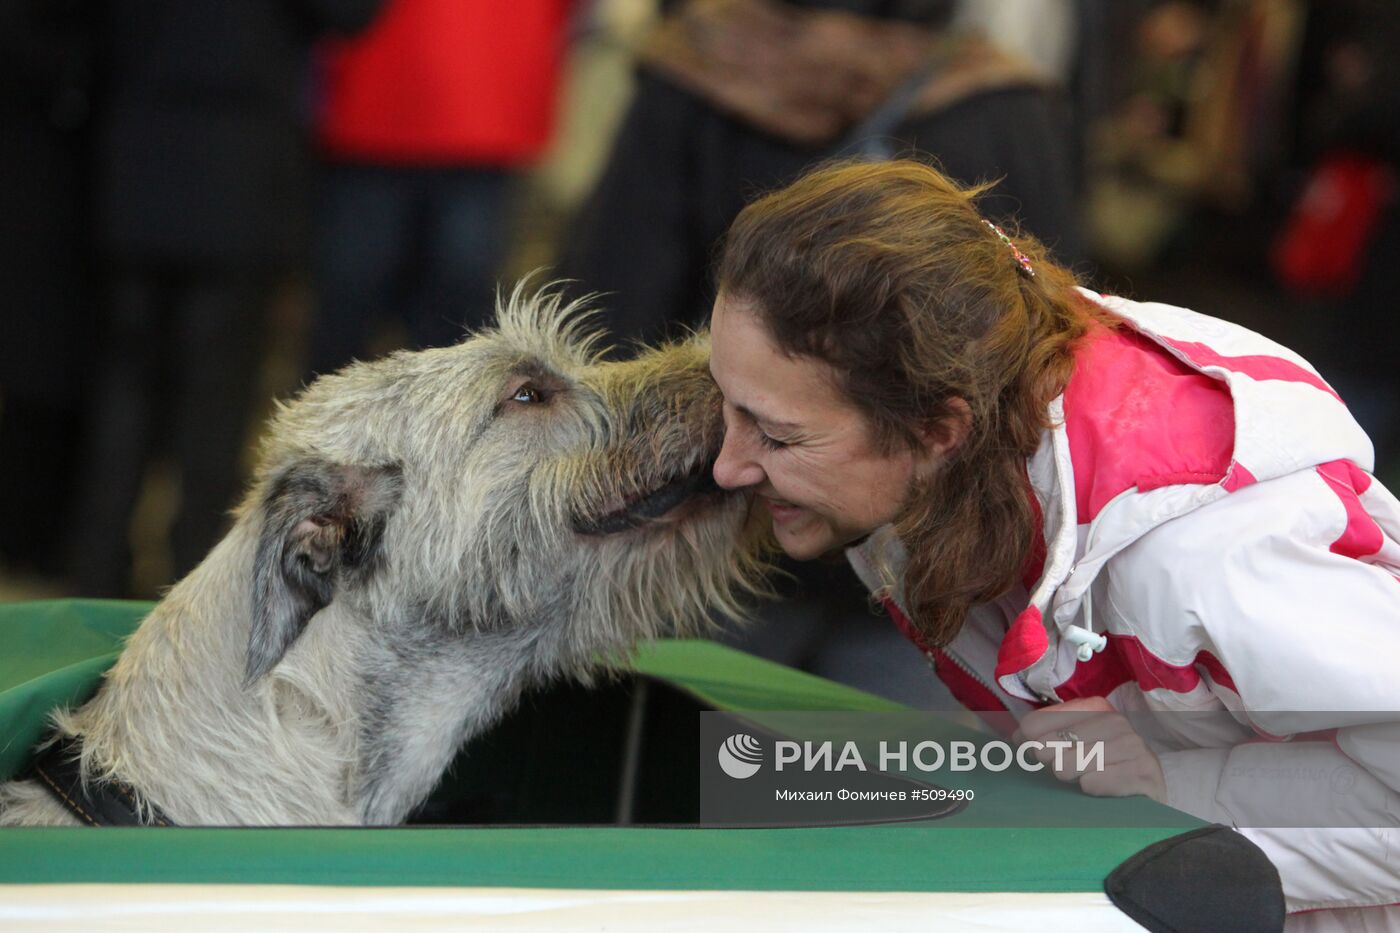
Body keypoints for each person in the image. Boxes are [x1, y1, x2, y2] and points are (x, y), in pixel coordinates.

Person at [706, 158, 1400, 925]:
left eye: (774, 434)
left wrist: (1171, 791)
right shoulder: (975, 399)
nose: (729, 465)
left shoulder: (1200, 558)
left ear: (939, 430)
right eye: (726, 408)